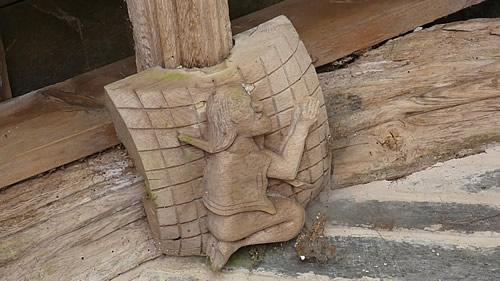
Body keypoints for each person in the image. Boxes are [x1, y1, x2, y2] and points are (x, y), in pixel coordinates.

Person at [179, 84, 320, 270]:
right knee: (295, 216)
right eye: (249, 105)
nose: (259, 107)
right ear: (236, 121)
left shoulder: (221, 149)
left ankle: (230, 243)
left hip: (215, 222)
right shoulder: (247, 155)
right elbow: (288, 170)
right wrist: (301, 125)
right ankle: (236, 245)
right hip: (233, 226)